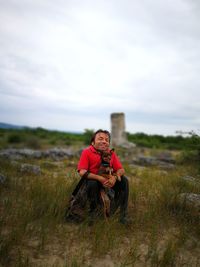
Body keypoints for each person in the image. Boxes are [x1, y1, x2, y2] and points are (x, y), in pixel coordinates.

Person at [77, 129, 130, 225]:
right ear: (93, 142)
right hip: (92, 182)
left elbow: (121, 170)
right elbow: (82, 172)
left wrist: (114, 177)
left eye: (106, 140)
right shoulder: (87, 152)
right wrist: (100, 178)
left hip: (108, 179)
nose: (104, 141)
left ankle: (121, 215)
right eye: (100, 138)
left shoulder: (111, 153)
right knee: (92, 182)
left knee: (124, 181)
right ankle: (93, 215)